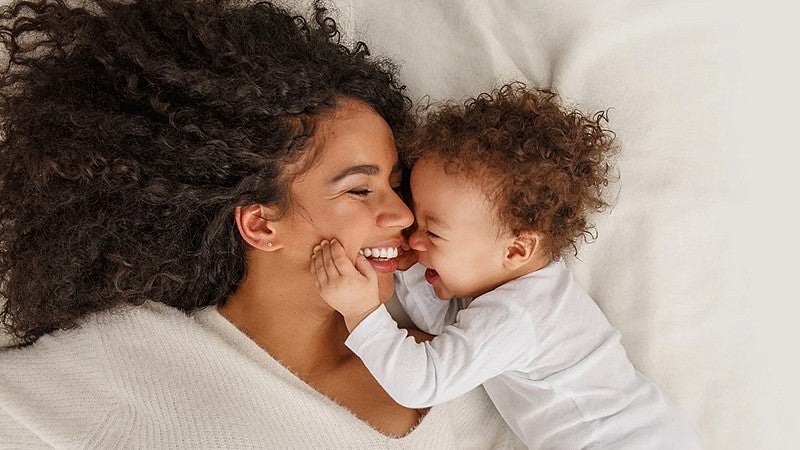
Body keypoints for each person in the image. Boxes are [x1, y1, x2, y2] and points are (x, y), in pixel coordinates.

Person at [0, 0, 526, 447]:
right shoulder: (130, 364)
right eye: (360, 189)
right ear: (260, 224)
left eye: (395, 182)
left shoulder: (462, 349)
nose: (404, 214)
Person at [311, 84, 701, 448]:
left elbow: (425, 380)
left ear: (516, 250)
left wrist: (362, 313)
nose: (413, 239)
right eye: (418, 223)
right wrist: (410, 266)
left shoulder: (518, 313)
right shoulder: (515, 289)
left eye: (434, 233)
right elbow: (444, 333)